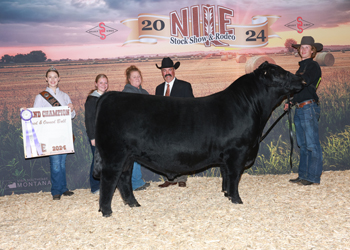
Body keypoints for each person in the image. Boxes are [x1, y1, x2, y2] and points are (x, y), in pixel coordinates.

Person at [285, 36, 323, 185]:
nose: (303, 49)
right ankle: (303, 175)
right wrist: (291, 101)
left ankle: (312, 177)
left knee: (312, 144)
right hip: (301, 108)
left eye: (307, 47)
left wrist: (288, 80)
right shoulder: (301, 67)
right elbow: (300, 90)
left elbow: (304, 82)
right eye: (302, 47)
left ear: (313, 51)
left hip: (309, 108)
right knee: (303, 144)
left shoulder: (312, 66)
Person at [33, 66, 76, 200]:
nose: (53, 79)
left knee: (62, 163)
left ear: (59, 79)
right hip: (50, 135)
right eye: (50, 77)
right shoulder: (40, 97)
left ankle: (63, 188)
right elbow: (35, 116)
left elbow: (72, 116)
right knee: (55, 164)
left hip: (63, 134)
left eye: (55, 77)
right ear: (46, 79)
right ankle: (55, 190)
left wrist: (71, 109)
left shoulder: (64, 96)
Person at [155, 57, 194, 188]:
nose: (167, 73)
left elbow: (191, 106)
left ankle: (182, 178)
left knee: (181, 152)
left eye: (169, 70)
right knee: (166, 153)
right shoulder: (158, 89)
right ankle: (170, 178)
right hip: (164, 128)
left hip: (181, 126)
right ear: (161, 72)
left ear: (174, 70)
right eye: (164, 70)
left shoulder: (185, 86)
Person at [122, 65, 150, 191]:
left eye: (138, 76)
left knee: (137, 156)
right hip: (132, 131)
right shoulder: (127, 93)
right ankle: (134, 183)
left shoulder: (143, 92)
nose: (137, 78)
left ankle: (137, 181)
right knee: (132, 157)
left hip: (142, 130)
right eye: (134, 77)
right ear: (129, 79)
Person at [84, 74, 109, 194]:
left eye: (105, 83)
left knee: (105, 161)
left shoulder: (108, 97)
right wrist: (92, 137)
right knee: (96, 161)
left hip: (107, 135)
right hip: (97, 135)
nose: (103, 85)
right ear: (95, 84)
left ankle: (104, 185)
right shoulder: (92, 99)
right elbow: (89, 119)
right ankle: (95, 187)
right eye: (101, 83)